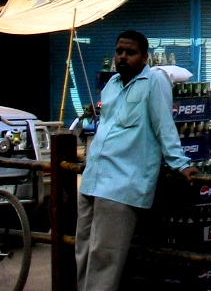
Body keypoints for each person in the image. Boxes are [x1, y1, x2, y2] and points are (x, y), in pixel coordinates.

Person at [75, 29, 198, 291]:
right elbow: (104, 128)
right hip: (92, 180)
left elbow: (164, 125)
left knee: (104, 259)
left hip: (120, 186)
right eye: (119, 51)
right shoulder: (111, 86)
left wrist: (181, 164)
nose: (122, 57)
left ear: (144, 58)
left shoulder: (154, 82)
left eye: (130, 53)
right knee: (83, 253)